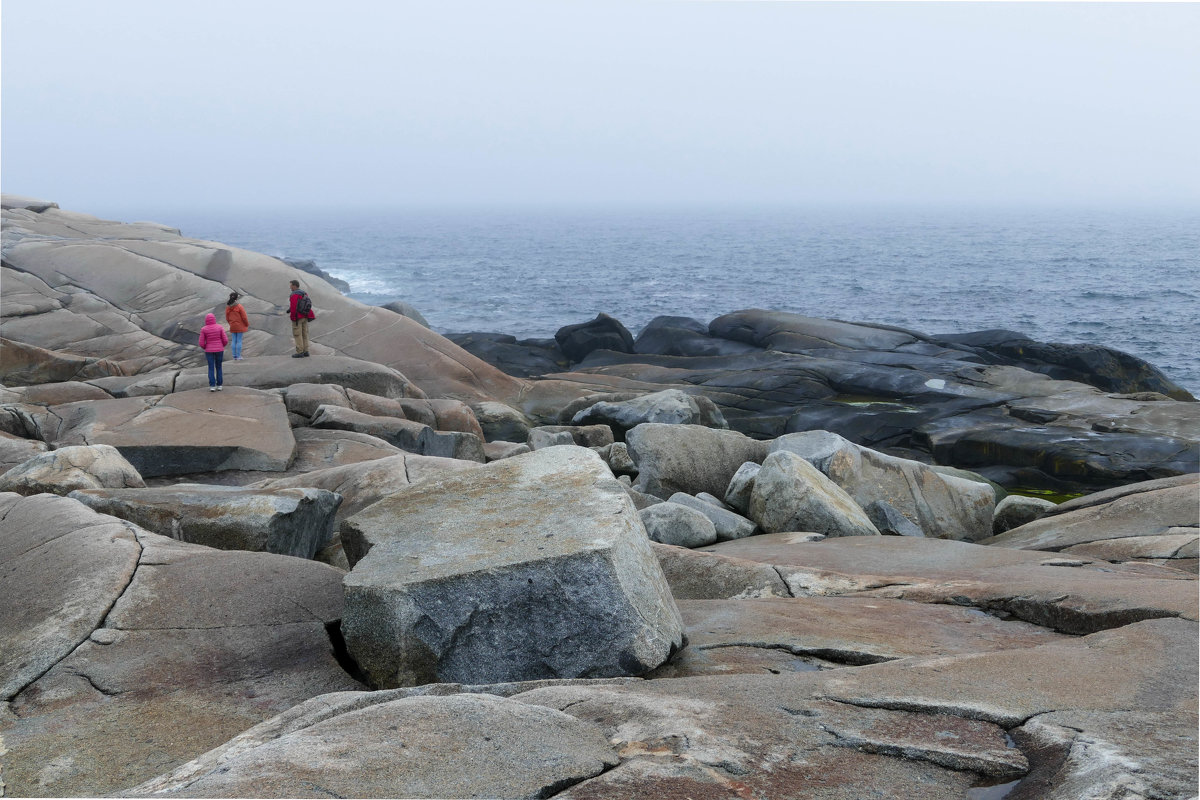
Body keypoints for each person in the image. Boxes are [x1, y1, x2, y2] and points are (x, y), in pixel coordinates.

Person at [198, 312, 229, 391]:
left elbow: (201, 343)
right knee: (219, 367)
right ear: (214, 319)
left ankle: (212, 386)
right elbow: (225, 340)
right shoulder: (219, 327)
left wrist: (206, 347)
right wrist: (222, 346)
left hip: (209, 351)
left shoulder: (204, 329)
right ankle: (219, 385)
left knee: (211, 367)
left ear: (206, 320)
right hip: (219, 350)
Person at [288, 279, 315, 358]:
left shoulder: (294, 295)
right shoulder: (304, 293)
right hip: (305, 316)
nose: (290, 287)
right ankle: (306, 351)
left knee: (297, 334)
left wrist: (292, 318)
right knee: (304, 334)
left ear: (294, 285)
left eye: (291, 285)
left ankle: (300, 352)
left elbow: (293, 308)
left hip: (297, 318)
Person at [225, 291, 249, 360]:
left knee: (234, 340)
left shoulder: (228, 307)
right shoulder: (239, 306)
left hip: (232, 325)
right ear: (236, 298)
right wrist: (246, 324)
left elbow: (227, 318)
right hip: (240, 326)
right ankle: (238, 356)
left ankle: (234, 355)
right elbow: (244, 317)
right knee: (239, 340)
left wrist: (231, 323)